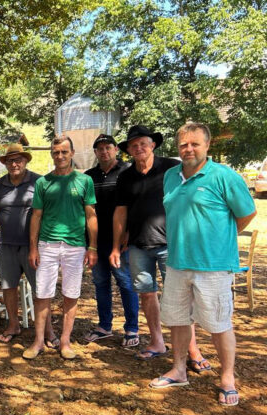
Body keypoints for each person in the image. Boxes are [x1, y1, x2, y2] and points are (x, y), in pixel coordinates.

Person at [150, 123, 256, 406]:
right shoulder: (171, 176)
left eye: (195, 144)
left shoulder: (224, 176)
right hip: (177, 263)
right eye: (184, 144)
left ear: (207, 146)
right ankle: (179, 369)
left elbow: (246, 213)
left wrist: (220, 238)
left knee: (219, 324)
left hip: (213, 265)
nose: (189, 149)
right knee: (178, 320)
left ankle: (227, 378)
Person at [111, 125, 207, 366]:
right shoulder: (125, 176)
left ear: (152, 144)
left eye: (143, 143)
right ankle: (157, 341)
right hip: (137, 246)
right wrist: (115, 246)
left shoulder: (172, 169)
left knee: (182, 298)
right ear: (129, 151)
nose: (139, 148)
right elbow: (120, 213)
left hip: (172, 244)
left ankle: (192, 350)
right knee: (146, 294)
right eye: (134, 145)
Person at [24, 136, 98, 360]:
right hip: (47, 245)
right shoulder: (43, 183)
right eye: (56, 152)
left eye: (64, 152)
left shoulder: (84, 181)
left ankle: (65, 341)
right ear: (51, 154)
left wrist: (92, 246)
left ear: (72, 153)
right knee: (42, 294)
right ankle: (38, 341)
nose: (60, 156)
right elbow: (36, 216)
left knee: (71, 294)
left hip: (75, 246)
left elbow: (91, 215)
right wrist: (33, 248)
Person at [0, 144, 57, 344]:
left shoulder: (39, 181)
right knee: (8, 286)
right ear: (6, 163)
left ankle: (47, 330)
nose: (14, 164)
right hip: (7, 244)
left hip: (33, 246)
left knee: (41, 288)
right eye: (10, 160)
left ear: (25, 161)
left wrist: (41, 244)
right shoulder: (0, 185)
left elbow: (47, 213)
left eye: (18, 159)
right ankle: (13, 324)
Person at [83, 136, 140, 347]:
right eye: (100, 149)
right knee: (100, 283)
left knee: (125, 282)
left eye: (108, 147)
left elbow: (134, 205)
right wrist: (88, 242)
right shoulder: (89, 176)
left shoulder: (128, 172)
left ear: (116, 149)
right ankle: (104, 326)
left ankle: (132, 328)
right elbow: (86, 211)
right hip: (97, 240)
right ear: (95, 152)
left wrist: (127, 233)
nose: (104, 152)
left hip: (122, 241)